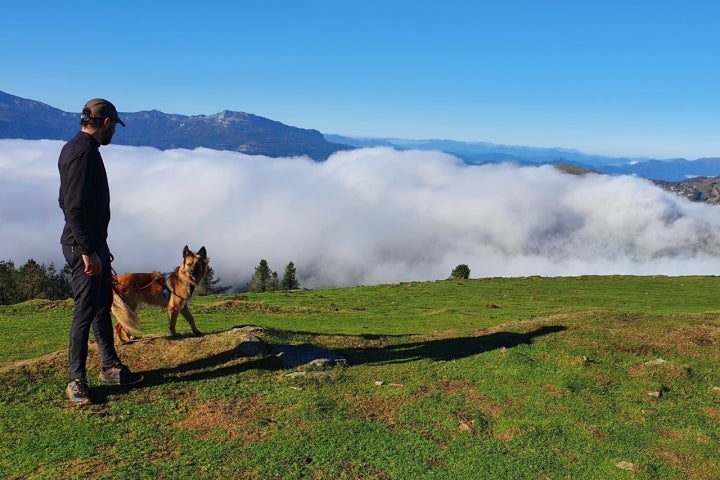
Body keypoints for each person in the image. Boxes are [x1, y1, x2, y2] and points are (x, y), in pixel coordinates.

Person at [58, 98, 143, 405]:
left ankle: (110, 366)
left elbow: (62, 200)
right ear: (106, 122)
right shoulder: (83, 153)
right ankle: (75, 380)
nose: (114, 134)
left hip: (92, 243)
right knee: (84, 310)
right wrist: (87, 250)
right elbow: (73, 206)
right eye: (114, 127)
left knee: (101, 303)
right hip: (85, 246)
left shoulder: (74, 148)